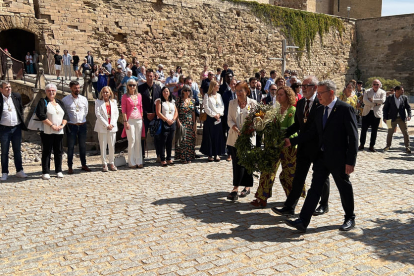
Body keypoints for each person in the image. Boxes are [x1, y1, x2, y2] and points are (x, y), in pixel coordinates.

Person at [284, 80, 358, 232]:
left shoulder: (345, 109)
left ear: (331, 93)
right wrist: (292, 141)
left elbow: (353, 137)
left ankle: (350, 217)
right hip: (321, 157)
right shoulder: (319, 110)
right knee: (314, 189)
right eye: (317, 93)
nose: (318, 96)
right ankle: (303, 221)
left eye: (320, 93)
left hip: (339, 159)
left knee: (344, 187)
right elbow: (312, 132)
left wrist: (351, 161)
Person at [272, 76, 330, 217]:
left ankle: (323, 204)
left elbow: (314, 131)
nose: (302, 88)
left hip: (318, 147)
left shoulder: (321, 103)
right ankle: (289, 207)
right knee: (298, 177)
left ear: (315, 88)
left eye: (306, 85)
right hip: (303, 147)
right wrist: (282, 134)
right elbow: (298, 124)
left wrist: (293, 141)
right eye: (301, 85)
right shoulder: (301, 102)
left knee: (321, 178)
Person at [251, 86, 300, 208]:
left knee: (289, 174)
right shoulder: (275, 110)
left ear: (288, 96)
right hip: (274, 145)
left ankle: (292, 197)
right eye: (277, 94)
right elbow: (266, 122)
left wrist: (279, 134)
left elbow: (292, 129)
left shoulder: (292, 111)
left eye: (281, 94)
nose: (278, 97)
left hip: (288, 147)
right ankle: (261, 198)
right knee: (268, 170)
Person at [226, 81, 257, 201]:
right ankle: (235, 188)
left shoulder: (253, 103)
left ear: (246, 91)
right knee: (237, 163)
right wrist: (236, 128)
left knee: (247, 162)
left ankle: (247, 186)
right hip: (235, 137)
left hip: (249, 138)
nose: (238, 93)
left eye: (240, 90)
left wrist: (249, 129)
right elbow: (229, 120)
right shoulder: (232, 103)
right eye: (236, 90)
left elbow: (257, 120)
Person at [36, 83, 68, 180]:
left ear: (56, 91)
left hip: (59, 131)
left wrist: (62, 125)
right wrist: (52, 125)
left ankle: (58, 170)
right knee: (47, 151)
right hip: (47, 131)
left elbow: (66, 115)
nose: (51, 92)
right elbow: (41, 115)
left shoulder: (60, 102)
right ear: (46, 92)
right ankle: (45, 171)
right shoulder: (43, 101)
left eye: (53, 90)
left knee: (58, 151)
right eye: (49, 90)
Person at [0, 81, 28, 181]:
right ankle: (4, 172)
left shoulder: (16, 96)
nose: (9, 89)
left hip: (16, 128)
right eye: (6, 87)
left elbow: (20, 110)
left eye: (9, 87)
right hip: (4, 129)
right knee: (4, 152)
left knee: (17, 150)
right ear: (1, 89)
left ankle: (19, 171)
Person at [62, 81, 91, 174]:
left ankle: (84, 164)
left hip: (82, 125)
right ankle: (70, 166)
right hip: (71, 126)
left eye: (78, 88)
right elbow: (64, 113)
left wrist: (81, 120)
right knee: (70, 147)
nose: (77, 90)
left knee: (82, 146)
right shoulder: (65, 100)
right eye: (75, 88)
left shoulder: (83, 99)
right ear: (71, 88)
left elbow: (86, 111)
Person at [138, 69, 162, 160]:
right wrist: (146, 114)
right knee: (143, 136)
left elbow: (160, 102)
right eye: (148, 76)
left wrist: (155, 113)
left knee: (157, 136)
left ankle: (159, 155)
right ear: (145, 76)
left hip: (155, 116)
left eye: (151, 76)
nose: (149, 77)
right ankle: (142, 156)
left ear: (154, 76)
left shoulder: (158, 88)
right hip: (145, 116)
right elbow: (139, 103)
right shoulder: (140, 88)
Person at [200, 79, 226, 161]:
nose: (219, 86)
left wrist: (219, 114)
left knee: (218, 136)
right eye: (217, 85)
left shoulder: (219, 95)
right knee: (210, 137)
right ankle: (210, 154)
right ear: (213, 87)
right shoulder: (207, 96)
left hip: (218, 118)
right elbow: (206, 108)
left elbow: (222, 106)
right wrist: (214, 115)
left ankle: (217, 153)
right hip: (210, 119)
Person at [94, 86, 119, 172]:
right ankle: (104, 163)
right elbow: (98, 115)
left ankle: (111, 162)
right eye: (104, 92)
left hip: (112, 126)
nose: (105, 94)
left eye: (107, 92)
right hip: (102, 126)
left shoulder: (114, 102)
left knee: (112, 146)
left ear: (110, 93)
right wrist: (106, 124)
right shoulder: (98, 102)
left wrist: (111, 124)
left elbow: (116, 114)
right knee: (103, 145)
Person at [121, 79, 144, 168]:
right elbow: (124, 110)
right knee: (132, 140)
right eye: (130, 85)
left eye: (134, 85)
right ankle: (131, 161)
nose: (132, 87)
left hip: (138, 119)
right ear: (127, 86)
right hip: (130, 120)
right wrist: (125, 121)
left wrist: (141, 118)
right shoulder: (125, 97)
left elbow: (141, 107)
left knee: (138, 140)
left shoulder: (139, 95)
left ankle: (139, 160)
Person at [359, 79, 386, 152]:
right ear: (372, 85)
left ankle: (372, 146)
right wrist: (376, 104)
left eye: (377, 84)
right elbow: (365, 101)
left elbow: (382, 101)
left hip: (376, 114)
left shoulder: (383, 92)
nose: (376, 86)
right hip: (367, 113)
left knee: (374, 131)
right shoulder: (367, 91)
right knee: (363, 130)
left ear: (379, 85)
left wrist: (372, 100)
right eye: (374, 84)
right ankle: (362, 144)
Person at [383, 86, 411, 153]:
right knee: (389, 132)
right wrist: (385, 117)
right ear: (397, 91)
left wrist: (409, 115)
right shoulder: (389, 98)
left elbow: (408, 107)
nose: (403, 91)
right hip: (390, 119)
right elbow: (385, 108)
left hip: (402, 118)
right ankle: (388, 146)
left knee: (405, 133)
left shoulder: (404, 98)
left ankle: (407, 147)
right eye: (402, 90)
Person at [155, 87, 178, 166]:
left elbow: (176, 112)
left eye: (167, 91)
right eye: (164, 91)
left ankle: (169, 158)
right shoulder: (159, 101)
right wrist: (166, 120)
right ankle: (162, 159)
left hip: (172, 122)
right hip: (164, 122)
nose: (166, 93)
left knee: (170, 142)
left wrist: (173, 119)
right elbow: (158, 112)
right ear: (162, 92)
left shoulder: (172, 101)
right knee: (163, 142)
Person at [175, 85, 196, 163]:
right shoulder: (179, 100)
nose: (188, 92)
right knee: (183, 140)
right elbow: (176, 112)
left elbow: (193, 112)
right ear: (183, 91)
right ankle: (182, 157)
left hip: (190, 122)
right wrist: (178, 122)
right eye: (186, 90)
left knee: (190, 140)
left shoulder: (192, 101)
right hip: (182, 121)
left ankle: (188, 156)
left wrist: (194, 123)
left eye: (189, 90)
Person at [221, 76, 237, 162]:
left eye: (234, 84)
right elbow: (225, 107)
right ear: (229, 85)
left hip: (238, 118)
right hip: (229, 118)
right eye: (232, 84)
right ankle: (229, 153)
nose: (233, 85)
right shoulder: (226, 94)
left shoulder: (239, 93)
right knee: (229, 136)